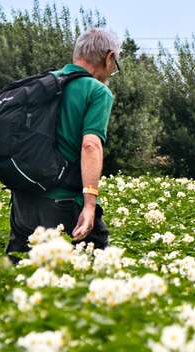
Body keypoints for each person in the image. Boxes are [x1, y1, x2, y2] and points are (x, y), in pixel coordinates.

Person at [7, 28, 118, 258]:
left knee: (17, 271)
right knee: (92, 265)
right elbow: (90, 145)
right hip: (63, 200)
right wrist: (89, 204)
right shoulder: (97, 91)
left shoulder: (43, 83)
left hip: (23, 197)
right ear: (109, 57)